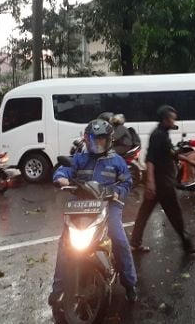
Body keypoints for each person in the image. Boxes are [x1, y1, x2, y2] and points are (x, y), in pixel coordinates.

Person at [49, 119, 138, 304]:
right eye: (94, 139)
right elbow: (64, 169)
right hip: (80, 203)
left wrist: (117, 192)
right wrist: (61, 178)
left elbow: (127, 182)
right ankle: (58, 289)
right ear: (87, 140)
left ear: (108, 140)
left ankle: (129, 283)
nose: (97, 143)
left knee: (119, 239)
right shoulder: (80, 158)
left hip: (108, 204)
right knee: (65, 242)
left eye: (101, 140)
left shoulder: (117, 161)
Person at [130, 105, 195, 254]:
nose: (174, 122)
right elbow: (150, 159)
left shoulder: (163, 134)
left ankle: (135, 243)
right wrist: (150, 183)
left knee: (144, 213)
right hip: (162, 184)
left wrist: (191, 161)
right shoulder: (158, 135)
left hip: (161, 182)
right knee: (175, 214)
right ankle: (188, 245)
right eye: (172, 119)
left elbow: (171, 153)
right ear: (165, 119)